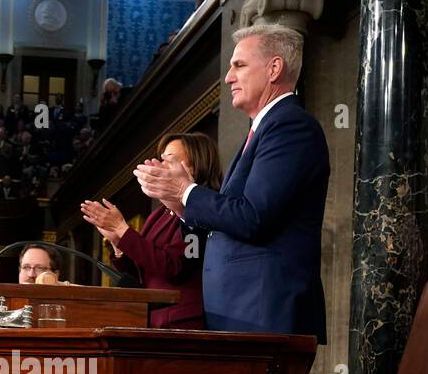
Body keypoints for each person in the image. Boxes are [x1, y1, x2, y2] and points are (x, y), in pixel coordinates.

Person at [135, 23, 329, 340]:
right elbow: (234, 219)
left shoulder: (291, 127)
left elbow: (253, 217)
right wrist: (180, 205)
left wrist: (187, 191)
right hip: (243, 313)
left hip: (265, 312)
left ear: (274, 68)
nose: (228, 77)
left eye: (239, 65)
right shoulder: (262, 129)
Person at [81, 131, 219, 329]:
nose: (160, 167)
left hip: (182, 323)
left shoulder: (202, 208)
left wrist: (123, 229)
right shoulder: (159, 215)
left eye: (169, 160)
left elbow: (176, 268)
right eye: (161, 159)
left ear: (196, 167)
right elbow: (142, 272)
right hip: (152, 320)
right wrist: (118, 241)